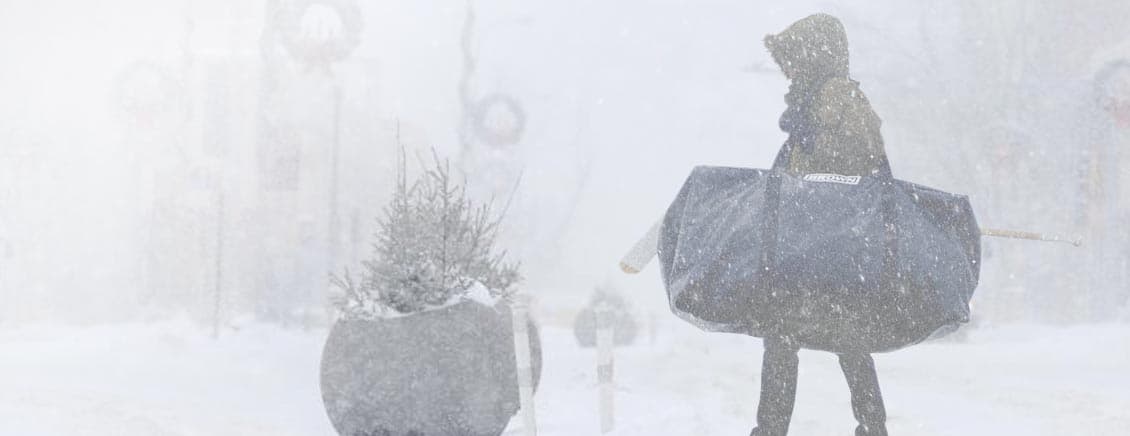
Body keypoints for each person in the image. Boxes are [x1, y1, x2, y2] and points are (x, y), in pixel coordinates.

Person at [753, 14, 888, 436]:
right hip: (813, 242)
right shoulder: (811, 101)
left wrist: (812, 145)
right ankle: (869, 426)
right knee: (813, 339)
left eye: (793, 58)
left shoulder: (838, 96)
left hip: (832, 246)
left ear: (815, 56)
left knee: (828, 339)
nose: (788, 69)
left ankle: (867, 426)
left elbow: (864, 159)